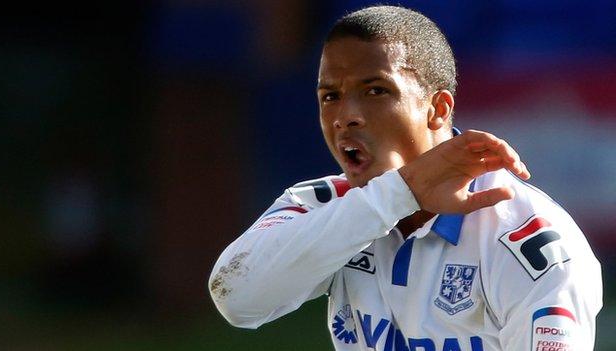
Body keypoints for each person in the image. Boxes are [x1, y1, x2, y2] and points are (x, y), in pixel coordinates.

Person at [209, 5, 602, 350]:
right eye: (330, 96)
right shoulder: (325, 205)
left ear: (437, 108)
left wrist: (402, 192)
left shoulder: (526, 240)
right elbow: (237, 298)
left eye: (376, 90)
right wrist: (403, 192)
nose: (345, 115)